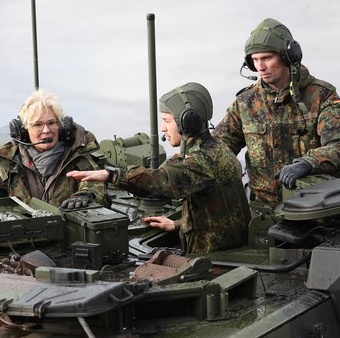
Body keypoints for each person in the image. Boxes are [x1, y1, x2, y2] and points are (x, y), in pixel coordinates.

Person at [67, 83, 251, 254]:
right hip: (224, 244)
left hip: (215, 256)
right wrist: (180, 224)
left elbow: (163, 180)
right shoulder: (216, 147)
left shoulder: (202, 160)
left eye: (166, 121)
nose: (162, 128)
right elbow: (217, 215)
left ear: (186, 121)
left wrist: (111, 175)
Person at [213, 18, 340, 209]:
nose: (260, 67)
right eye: (255, 60)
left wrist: (308, 163)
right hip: (263, 212)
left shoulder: (321, 95)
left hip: (314, 210)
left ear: (288, 57)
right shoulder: (246, 102)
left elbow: (337, 145)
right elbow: (217, 150)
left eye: (266, 58)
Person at [0, 88, 108, 209]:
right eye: (37, 125)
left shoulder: (77, 154)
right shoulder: (7, 160)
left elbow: (96, 188)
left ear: (61, 127)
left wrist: (87, 196)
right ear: (23, 131)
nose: (46, 130)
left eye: (51, 123)